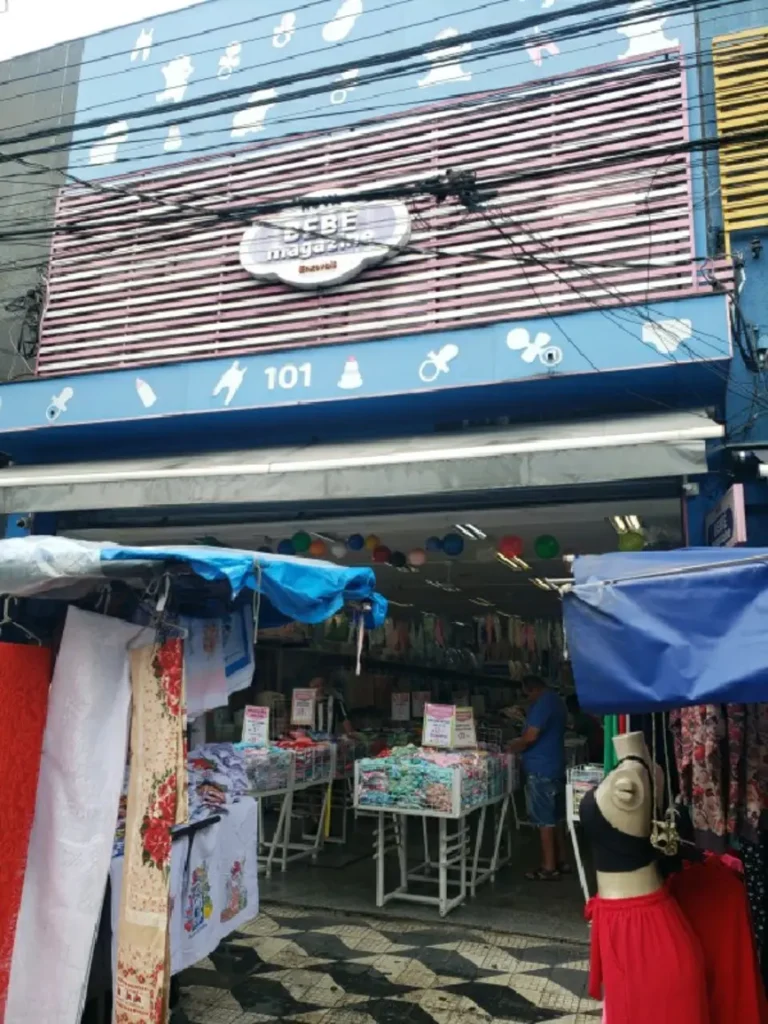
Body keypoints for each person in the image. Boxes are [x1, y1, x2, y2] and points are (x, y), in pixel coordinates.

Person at [508, 674, 570, 880]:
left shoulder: (543, 703)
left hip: (541, 768)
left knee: (544, 819)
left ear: (532, 689)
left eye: (527, 695)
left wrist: (512, 747)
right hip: (555, 764)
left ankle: (548, 867)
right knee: (557, 817)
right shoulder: (557, 701)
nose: (528, 700)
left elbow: (531, 736)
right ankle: (562, 860)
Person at [566, 693, 604, 763]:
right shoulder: (584, 716)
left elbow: (575, 734)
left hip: (594, 750)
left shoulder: (581, 718)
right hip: (597, 748)